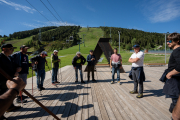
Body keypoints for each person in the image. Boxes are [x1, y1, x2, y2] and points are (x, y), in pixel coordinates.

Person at [0, 44, 22, 119]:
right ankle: (1, 114)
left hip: (9, 79)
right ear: (4, 49)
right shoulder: (0, 57)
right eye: (10, 49)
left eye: (13, 49)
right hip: (2, 80)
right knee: (3, 95)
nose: (12, 50)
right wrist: (13, 73)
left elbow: (12, 65)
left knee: (9, 92)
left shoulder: (9, 57)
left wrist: (17, 68)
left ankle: (10, 107)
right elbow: (2, 70)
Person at [160, 33, 180, 115]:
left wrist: (170, 73)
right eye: (167, 41)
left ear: (177, 41)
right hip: (176, 79)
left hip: (175, 80)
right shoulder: (176, 51)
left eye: (170, 41)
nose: (168, 42)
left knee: (176, 101)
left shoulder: (177, 51)